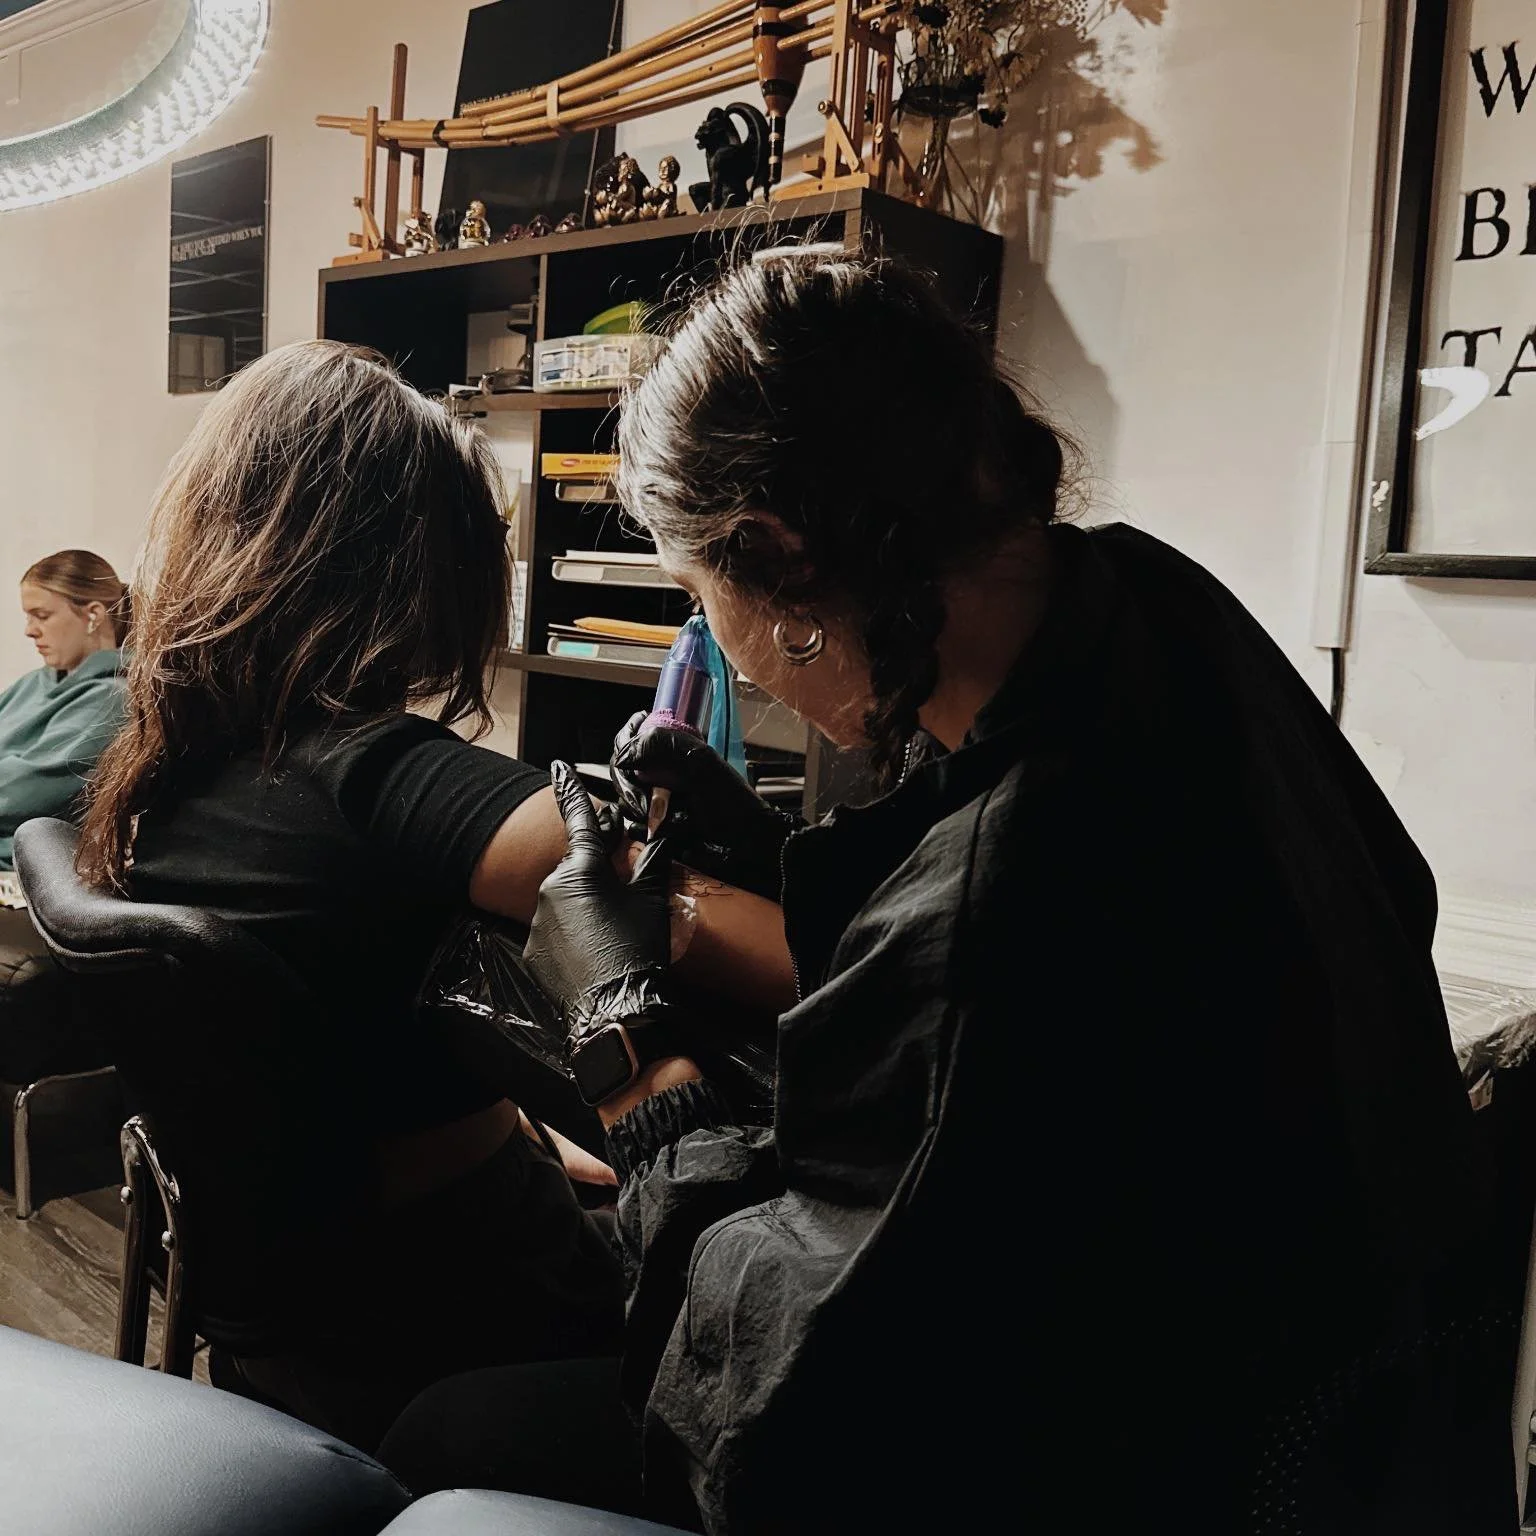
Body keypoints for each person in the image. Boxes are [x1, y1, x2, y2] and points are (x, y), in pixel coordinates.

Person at [393, 252, 1511, 1532]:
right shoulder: (1153, 608)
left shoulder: (1007, 895)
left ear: (779, 558)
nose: (740, 670)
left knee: (446, 1429)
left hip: (1134, 1467)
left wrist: (628, 1044)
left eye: (710, 608)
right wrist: (768, 855)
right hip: (1368, 1425)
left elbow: (782, 1402)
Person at [74, 339, 790, 1454]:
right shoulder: (381, 775)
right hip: (469, 1311)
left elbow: (340, 1048)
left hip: (290, 1321)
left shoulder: (165, 777)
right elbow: (788, 955)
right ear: (414, 566)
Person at [0, 551, 129, 870]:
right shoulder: (30, 685)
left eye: (41, 615)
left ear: (93, 615)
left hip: (28, 869)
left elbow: (22, 794)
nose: (30, 631)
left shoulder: (114, 698)